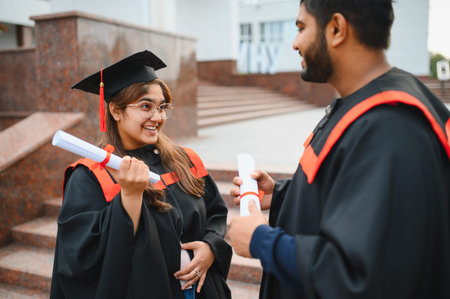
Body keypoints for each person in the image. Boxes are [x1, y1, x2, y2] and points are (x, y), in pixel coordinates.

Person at [227, 1, 450, 298]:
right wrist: (283, 196)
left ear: (336, 29)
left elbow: (359, 276)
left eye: (301, 28)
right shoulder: (363, 103)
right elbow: (356, 196)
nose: (295, 43)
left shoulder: (390, 124)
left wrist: (261, 240)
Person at [50, 50, 232, 299]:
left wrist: (211, 247)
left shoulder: (185, 159)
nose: (157, 117)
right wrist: (129, 197)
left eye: (162, 107)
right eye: (146, 106)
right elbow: (81, 259)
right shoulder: (91, 177)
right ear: (115, 110)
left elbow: (216, 214)